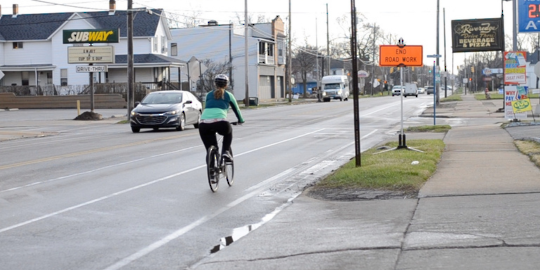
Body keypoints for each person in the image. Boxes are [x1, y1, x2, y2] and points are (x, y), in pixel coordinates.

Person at [198, 74, 244, 164]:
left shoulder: (208, 94)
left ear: (215, 84)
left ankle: (211, 170)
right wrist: (240, 120)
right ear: (226, 85)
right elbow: (236, 109)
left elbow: (206, 107)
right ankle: (226, 151)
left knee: (210, 148)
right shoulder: (228, 95)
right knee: (228, 132)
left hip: (203, 123)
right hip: (220, 122)